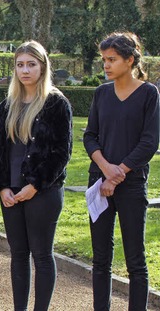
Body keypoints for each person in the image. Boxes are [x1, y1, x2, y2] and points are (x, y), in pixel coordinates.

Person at [0, 41, 73, 311]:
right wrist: (2, 187)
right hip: (11, 191)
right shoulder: (7, 106)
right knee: (18, 255)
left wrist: (35, 185)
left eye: (31, 64)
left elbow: (62, 152)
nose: (25, 70)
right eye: (20, 64)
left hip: (43, 192)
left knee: (42, 254)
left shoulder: (56, 104)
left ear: (42, 66)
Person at [83, 32, 159, 311]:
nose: (106, 65)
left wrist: (119, 173)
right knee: (100, 259)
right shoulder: (101, 93)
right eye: (104, 60)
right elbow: (90, 136)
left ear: (130, 60)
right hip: (99, 183)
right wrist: (105, 169)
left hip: (131, 185)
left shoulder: (149, 94)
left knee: (135, 260)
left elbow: (149, 142)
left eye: (112, 59)